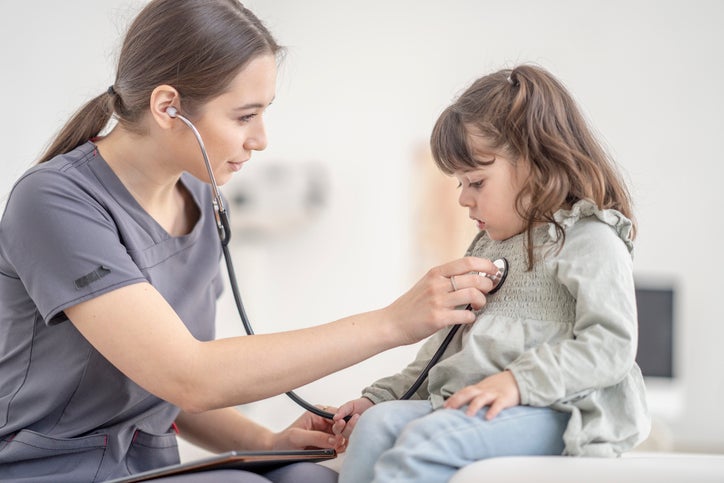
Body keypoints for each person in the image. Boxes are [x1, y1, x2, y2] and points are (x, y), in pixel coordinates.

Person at [0, 1, 499, 482]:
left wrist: (267, 441)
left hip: (147, 464)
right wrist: (394, 322)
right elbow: (187, 376)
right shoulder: (54, 202)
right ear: (169, 107)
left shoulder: (201, 198)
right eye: (244, 116)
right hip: (51, 470)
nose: (261, 138)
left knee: (309, 477)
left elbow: (165, 393)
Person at [331, 64, 652, 482]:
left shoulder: (591, 238)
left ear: (537, 164)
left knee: (429, 441)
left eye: (476, 182)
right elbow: (448, 346)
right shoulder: (491, 247)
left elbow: (611, 346)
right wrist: (383, 396)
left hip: (559, 407)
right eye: (459, 183)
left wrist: (517, 382)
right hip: (477, 403)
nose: (464, 198)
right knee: (376, 428)